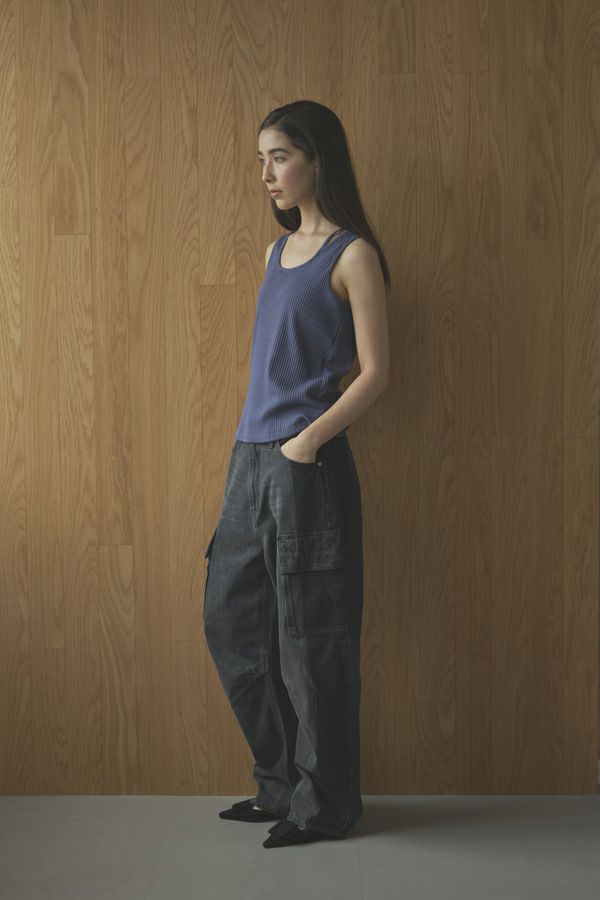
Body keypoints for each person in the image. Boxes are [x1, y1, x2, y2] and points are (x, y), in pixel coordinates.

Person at [203, 100, 390, 849]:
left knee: (313, 641)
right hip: (247, 460)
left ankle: (325, 807)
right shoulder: (275, 252)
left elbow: (375, 372)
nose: (266, 173)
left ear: (317, 159)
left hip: (305, 464)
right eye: (261, 159)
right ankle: (280, 786)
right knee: (233, 623)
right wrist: (265, 449)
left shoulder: (353, 255)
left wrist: (305, 442)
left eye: (279, 156)